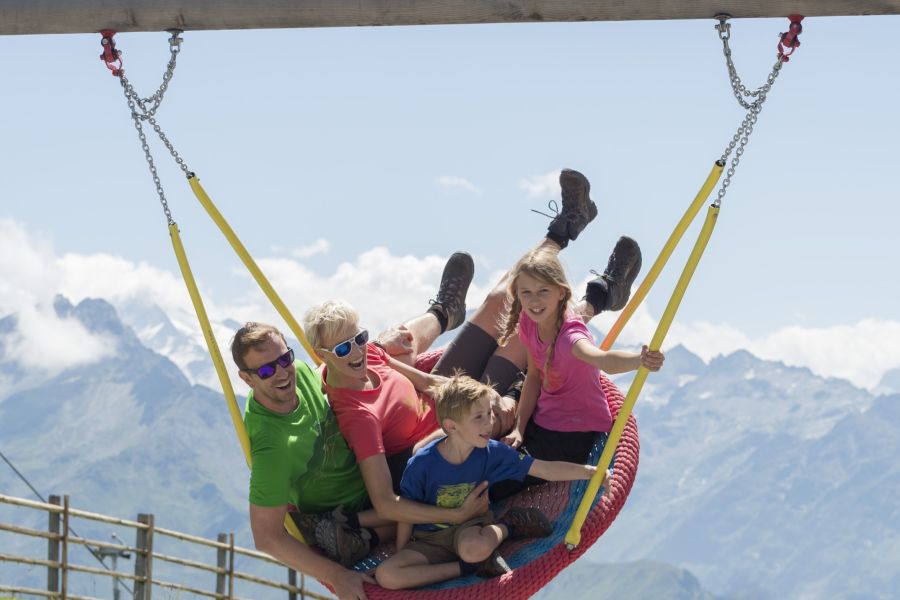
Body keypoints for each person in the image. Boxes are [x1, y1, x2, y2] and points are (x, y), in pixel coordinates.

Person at [374, 374, 602, 590]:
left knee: (474, 548)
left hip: (469, 530)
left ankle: (509, 526)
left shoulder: (491, 452)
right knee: (387, 575)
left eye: (489, 414)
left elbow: (543, 468)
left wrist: (590, 472)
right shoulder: (422, 464)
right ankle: (466, 568)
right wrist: (402, 550)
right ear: (452, 426)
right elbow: (406, 511)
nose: (489, 424)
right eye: (479, 417)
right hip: (428, 540)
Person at [491, 245, 665, 498]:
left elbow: (604, 361)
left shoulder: (570, 339)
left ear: (561, 292)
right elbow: (534, 377)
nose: (534, 300)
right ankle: (604, 291)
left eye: (543, 291)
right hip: (542, 420)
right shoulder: (530, 322)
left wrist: (640, 360)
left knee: (498, 482)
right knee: (484, 452)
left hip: (571, 433)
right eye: (526, 292)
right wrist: (519, 426)